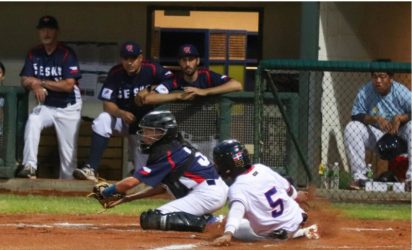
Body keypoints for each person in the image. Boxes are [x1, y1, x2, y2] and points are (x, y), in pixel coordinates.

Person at [91, 110, 228, 232]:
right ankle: (206, 218)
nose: (144, 134)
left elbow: (130, 183)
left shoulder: (166, 153)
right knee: (158, 216)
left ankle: (211, 222)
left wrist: (106, 192)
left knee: (154, 218)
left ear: (164, 132)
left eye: (150, 130)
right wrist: (128, 199)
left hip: (207, 194)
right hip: (211, 190)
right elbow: (162, 187)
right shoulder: (175, 146)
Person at [72, 42, 174, 181]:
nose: (129, 62)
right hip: (122, 119)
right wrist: (121, 113)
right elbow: (107, 104)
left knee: (142, 174)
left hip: (143, 125)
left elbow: (171, 79)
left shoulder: (151, 69)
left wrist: (150, 89)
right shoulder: (116, 72)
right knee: (103, 119)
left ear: (140, 58)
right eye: (126, 58)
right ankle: (91, 168)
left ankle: (137, 176)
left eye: (133, 58)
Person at [211, 139, 319, 246]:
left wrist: (228, 233)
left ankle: (298, 234)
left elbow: (236, 212)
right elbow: (288, 188)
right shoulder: (262, 168)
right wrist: (297, 195)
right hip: (297, 217)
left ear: (228, 165)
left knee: (239, 227)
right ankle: (299, 225)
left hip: (280, 233)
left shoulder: (237, 188)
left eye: (220, 163)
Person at [17, 15, 82, 179]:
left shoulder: (67, 54)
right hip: (47, 106)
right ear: (39, 32)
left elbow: (68, 85)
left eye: (50, 29)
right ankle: (30, 166)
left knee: (68, 161)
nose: (46, 33)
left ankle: (67, 194)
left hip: (69, 107)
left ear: (57, 32)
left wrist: (41, 82)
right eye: (42, 29)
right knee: (33, 120)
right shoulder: (34, 53)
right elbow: (24, 79)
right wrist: (34, 84)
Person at [344, 66, 411, 190]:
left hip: (400, 133)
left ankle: (410, 179)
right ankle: (359, 178)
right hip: (378, 134)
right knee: (351, 127)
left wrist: (401, 118)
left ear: (390, 78)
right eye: (375, 76)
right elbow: (355, 115)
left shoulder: (401, 91)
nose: (378, 80)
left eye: (382, 76)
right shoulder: (366, 91)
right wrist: (375, 119)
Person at [138, 43, 243, 105]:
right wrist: (178, 96)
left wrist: (204, 91)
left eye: (191, 59)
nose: (187, 64)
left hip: (209, 132)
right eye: (184, 60)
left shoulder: (206, 75)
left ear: (197, 61)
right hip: (184, 132)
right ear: (179, 62)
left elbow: (237, 85)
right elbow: (148, 99)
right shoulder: (175, 80)